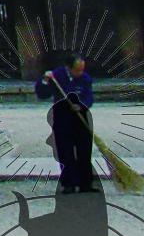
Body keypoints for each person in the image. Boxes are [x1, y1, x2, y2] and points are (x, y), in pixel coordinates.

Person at [35, 52, 100, 195]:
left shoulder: (85, 78)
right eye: (77, 70)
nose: (80, 72)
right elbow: (42, 94)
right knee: (65, 151)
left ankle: (85, 183)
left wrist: (82, 105)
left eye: (82, 69)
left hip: (81, 117)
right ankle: (68, 183)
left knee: (84, 150)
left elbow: (89, 97)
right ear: (68, 68)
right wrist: (45, 81)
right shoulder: (56, 76)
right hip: (62, 117)